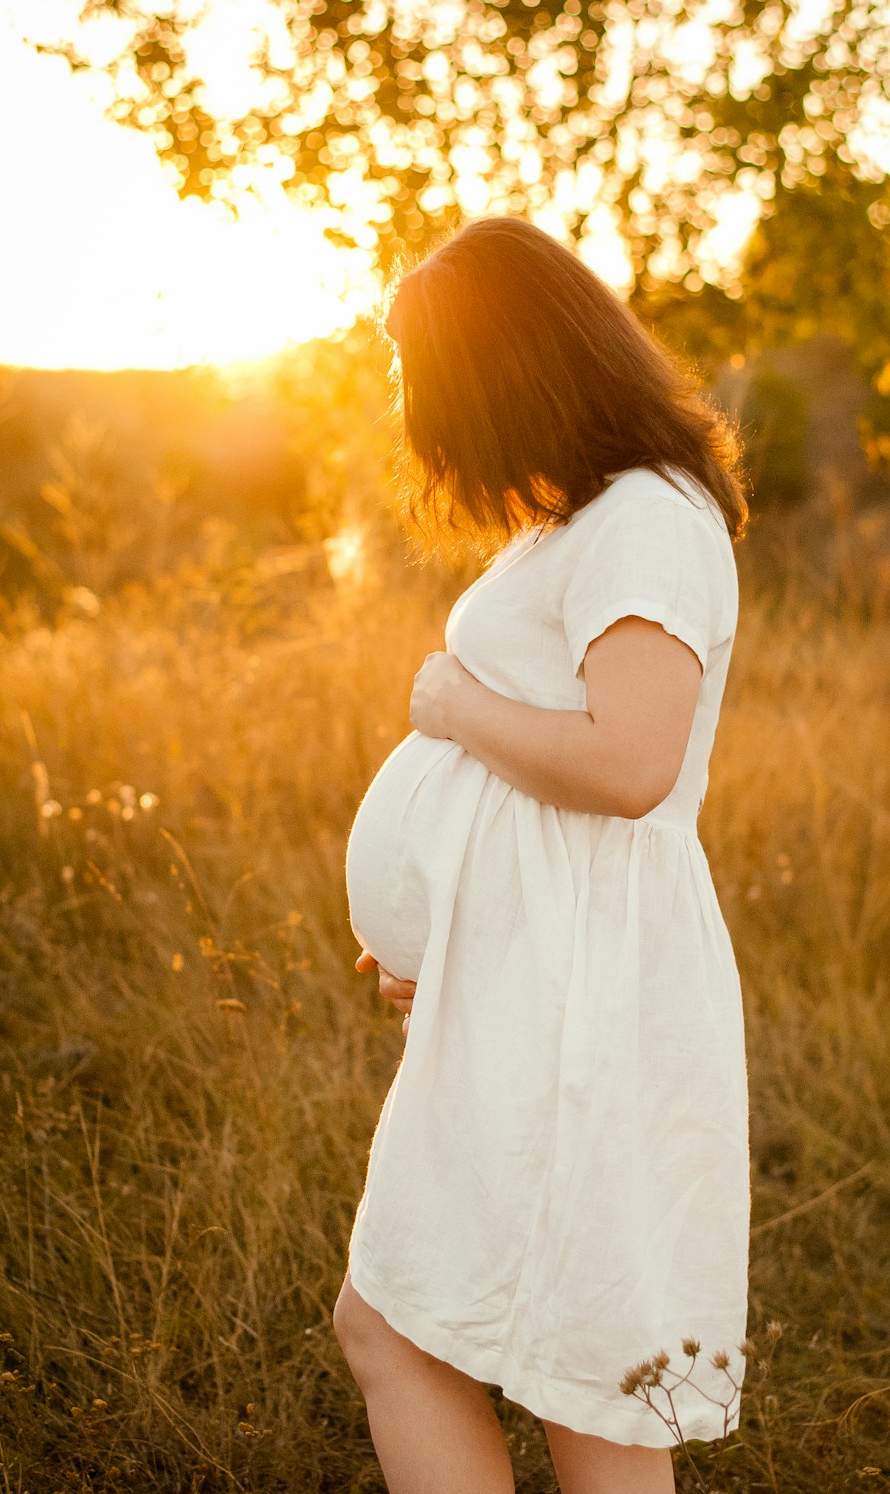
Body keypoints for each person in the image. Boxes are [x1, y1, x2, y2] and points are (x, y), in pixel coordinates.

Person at [334, 214, 751, 1494]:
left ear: (507, 371)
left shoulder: (645, 519)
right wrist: (448, 938)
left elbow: (629, 764)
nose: (418, 415)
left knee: (591, 1379)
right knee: (464, 1339)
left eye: (425, 382)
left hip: (590, 991)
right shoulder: (589, 517)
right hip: (536, 976)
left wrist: (451, 703)